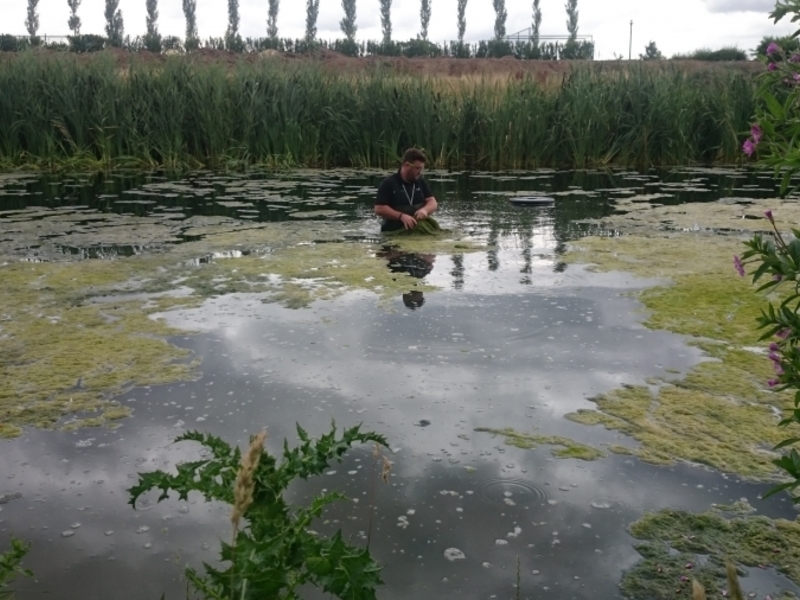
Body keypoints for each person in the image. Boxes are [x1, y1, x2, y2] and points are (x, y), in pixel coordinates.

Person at [375, 148, 439, 232]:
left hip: (418, 230)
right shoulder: (388, 183)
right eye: (417, 168)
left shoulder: (420, 181)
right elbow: (379, 208)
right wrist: (401, 216)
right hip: (393, 231)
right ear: (406, 165)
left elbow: (432, 201)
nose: (420, 172)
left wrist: (424, 210)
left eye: (422, 168)